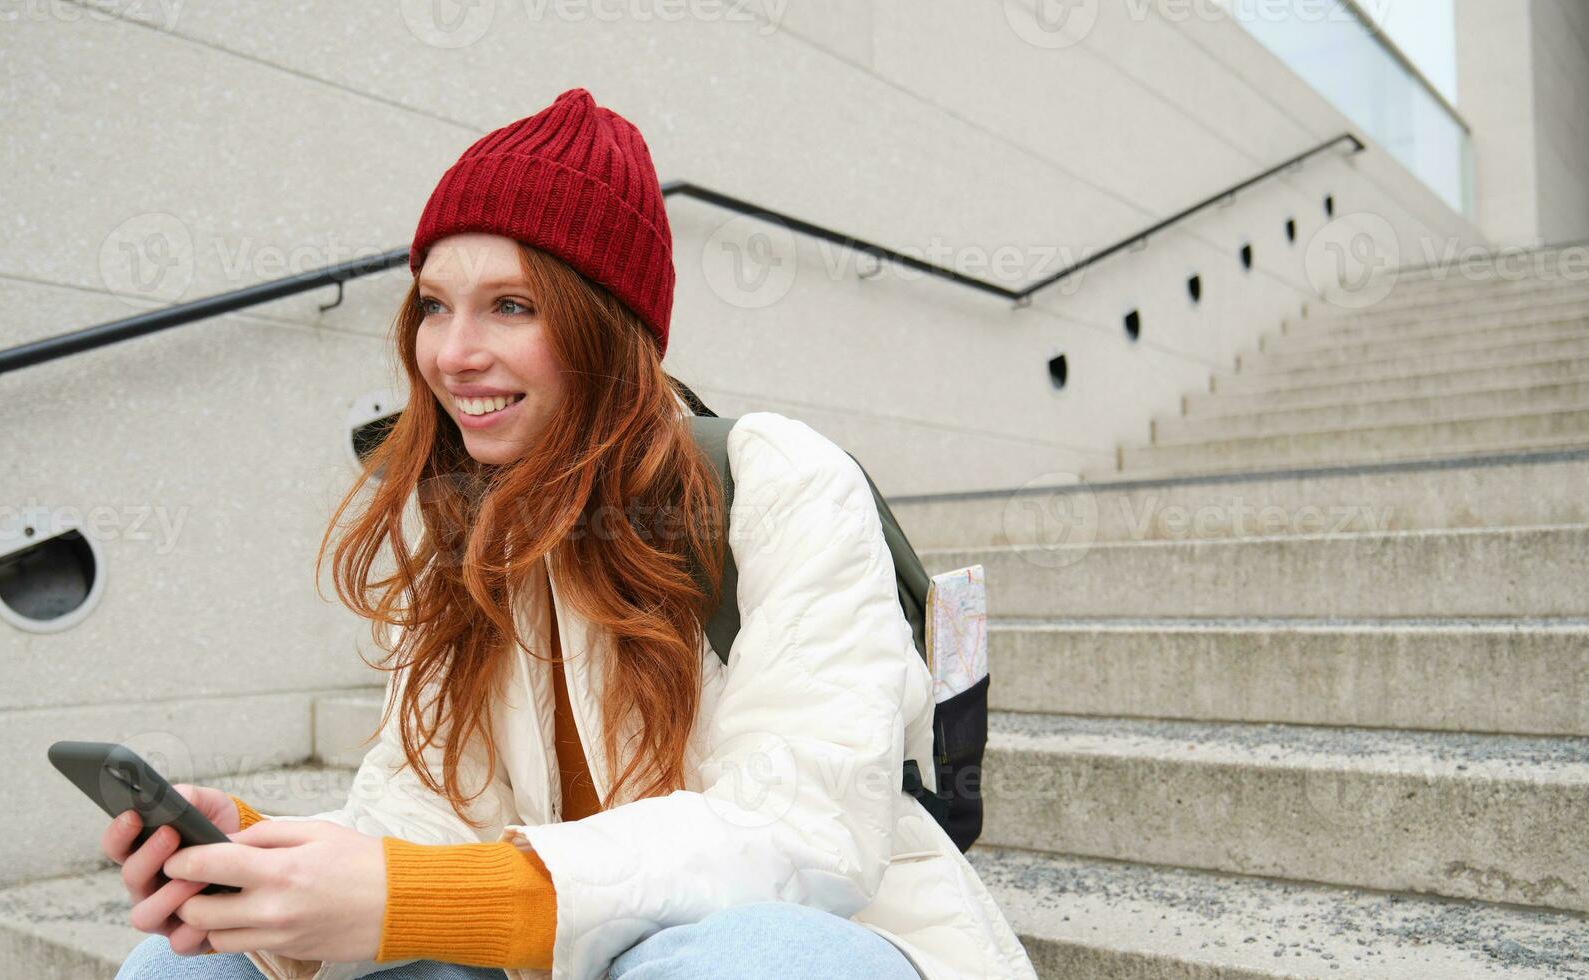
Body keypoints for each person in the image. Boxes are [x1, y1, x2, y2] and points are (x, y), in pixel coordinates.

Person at [100, 86, 1037, 980]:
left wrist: (421, 894)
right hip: (545, 957)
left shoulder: (776, 480)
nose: (453, 354)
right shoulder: (465, 530)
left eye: (512, 305)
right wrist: (269, 864)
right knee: (195, 962)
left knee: (737, 966)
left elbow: (801, 832)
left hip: (831, 938)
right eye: (434, 304)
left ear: (606, 326)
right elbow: (427, 816)